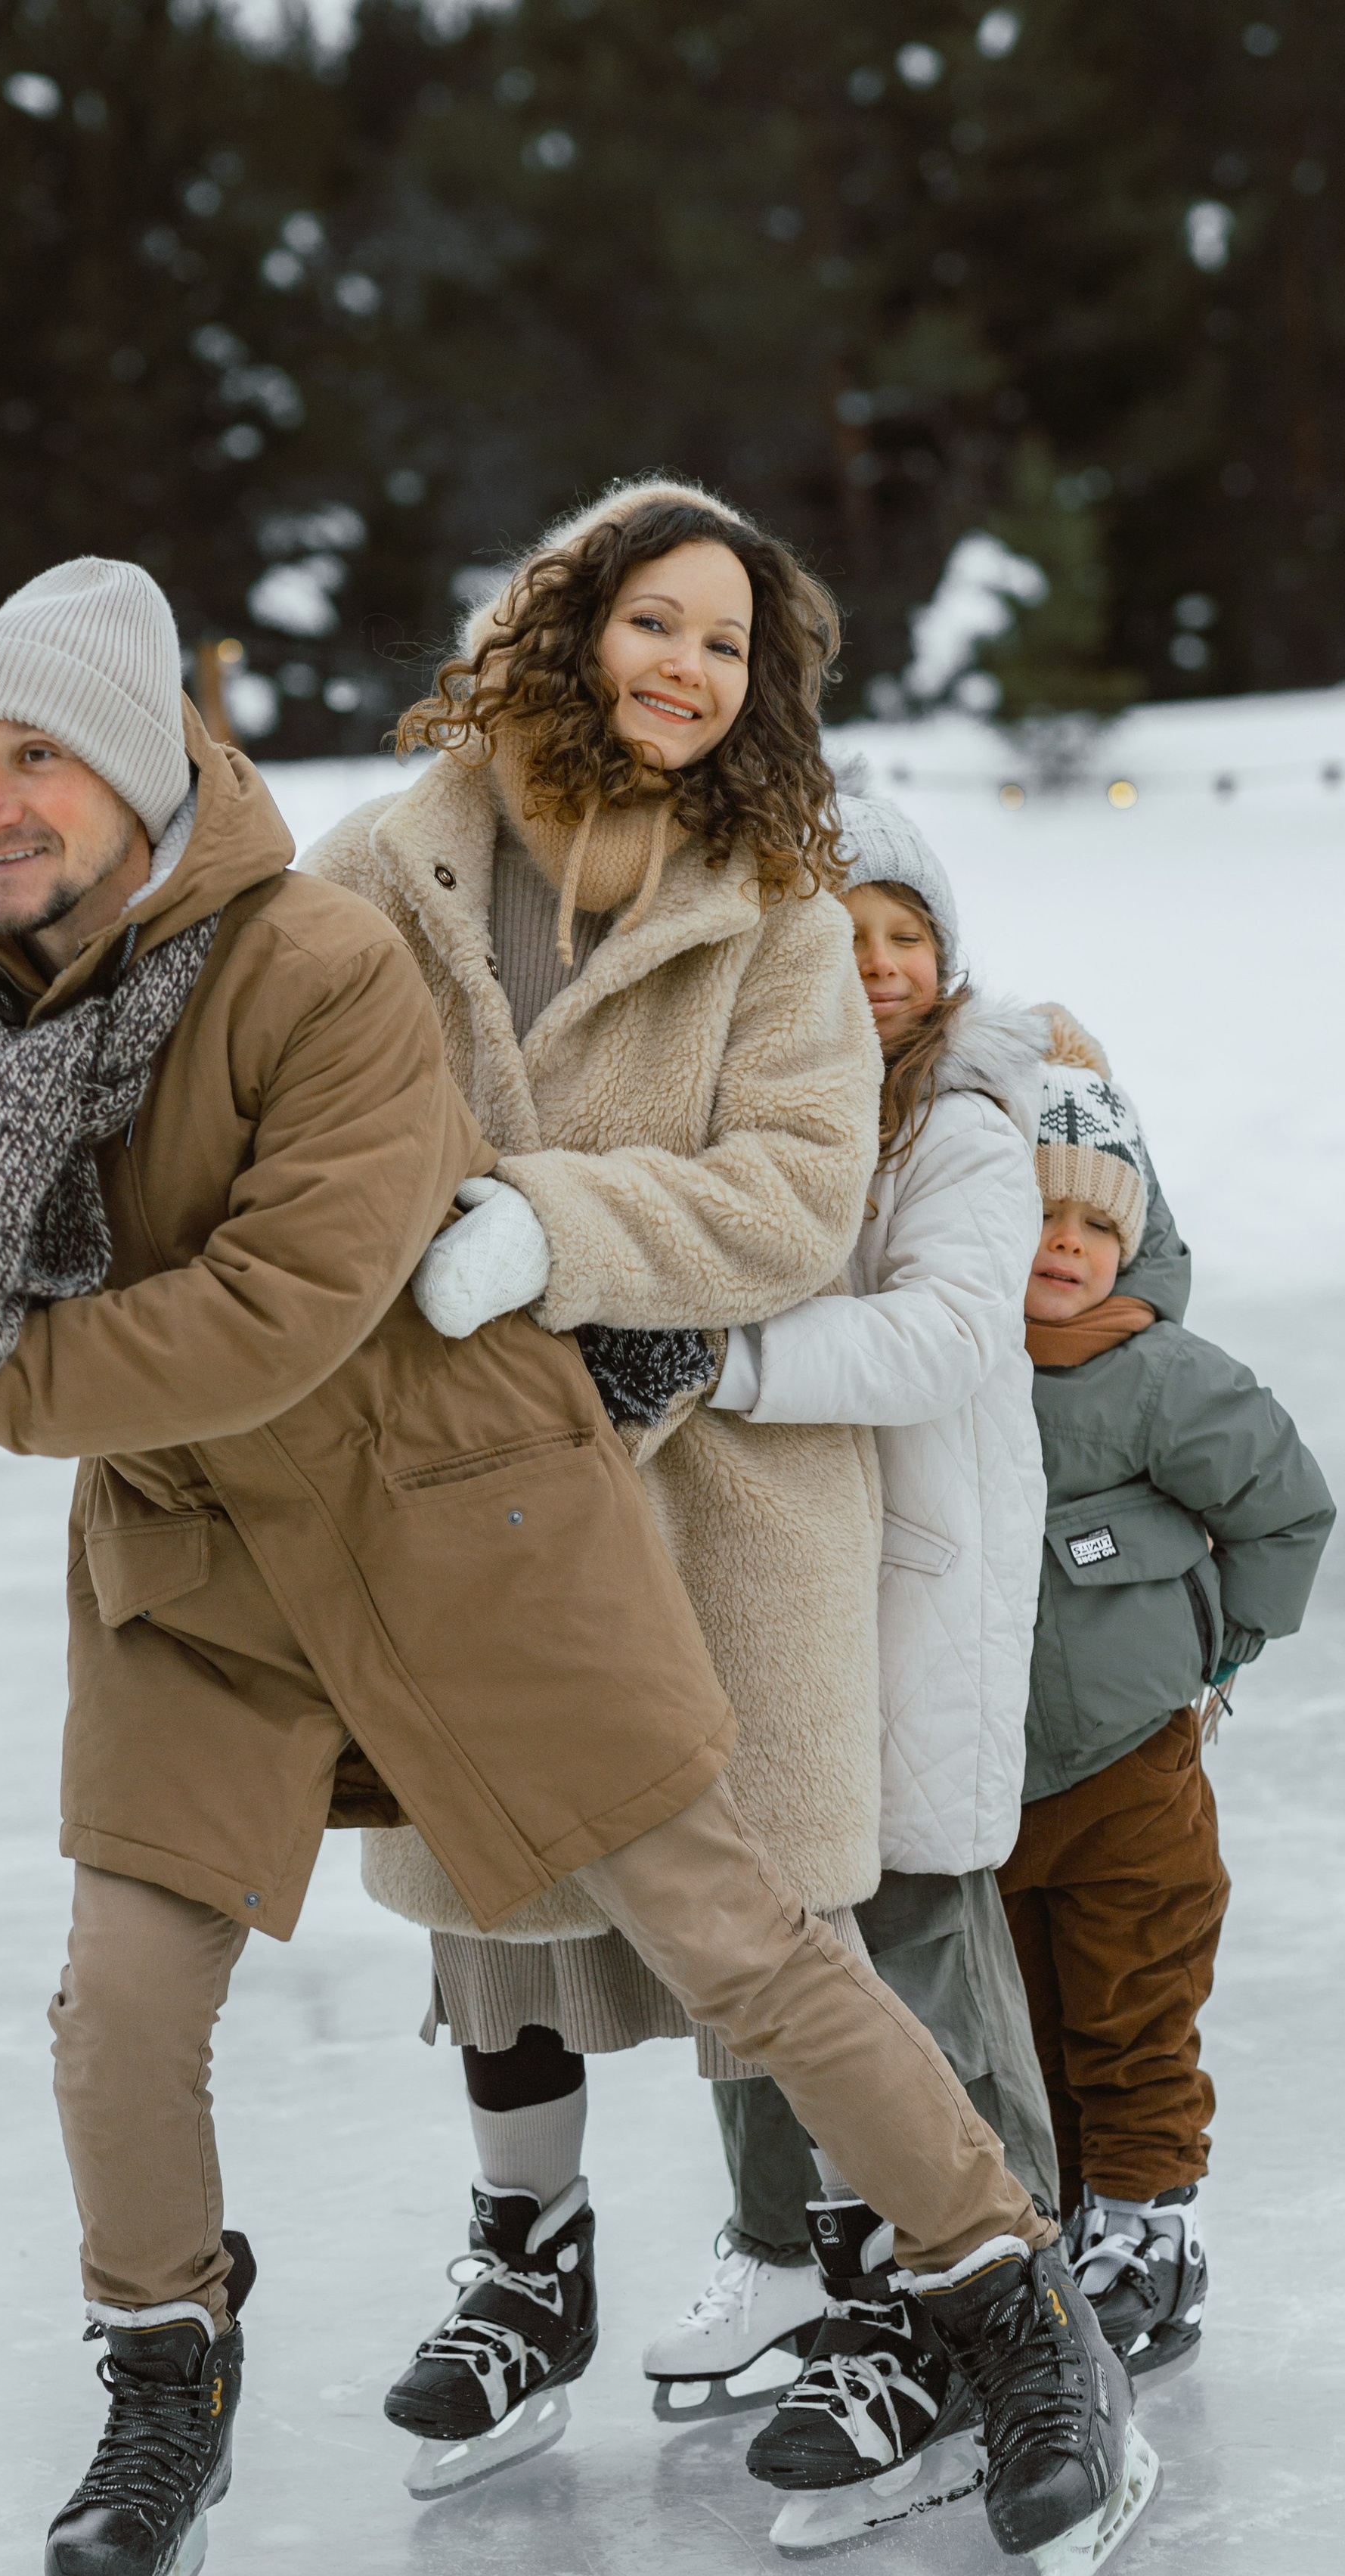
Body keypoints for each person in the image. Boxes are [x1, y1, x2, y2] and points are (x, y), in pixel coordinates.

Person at [0, 556, 1146, 2576]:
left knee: (744, 1941)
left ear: (152, 771)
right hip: (197, 1578)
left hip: (473, 1533)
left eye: (37, 764)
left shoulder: (320, 972)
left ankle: (1013, 2303)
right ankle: (167, 2378)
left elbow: (267, 1321)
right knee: (120, 2007)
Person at [301, 483, 910, 2425]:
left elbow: (802, 1192)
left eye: (729, 646)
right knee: (490, 1900)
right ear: (561, 622)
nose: (689, 671)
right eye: (658, 621)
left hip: (716, 1502)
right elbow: (285, 1112)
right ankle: (526, 2269)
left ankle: (864, 2276)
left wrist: (553, 1226)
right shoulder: (381, 871)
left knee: (767, 1904)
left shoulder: (781, 908)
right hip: (457, 1481)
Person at [613, 796, 1058, 2550]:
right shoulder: (769, 1100)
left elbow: (947, 1334)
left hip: (918, 1585)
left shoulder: (959, 1125)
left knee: (923, 1931)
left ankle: (997, 2281)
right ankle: (813, 2265)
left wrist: (718, 1356)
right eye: (840, 936)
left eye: (903, 937)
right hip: (771, 1585)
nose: (877, 970)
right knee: (760, 1930)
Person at [997, 1012, 1335, 2380]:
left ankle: (1150, 2226)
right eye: (1038, 1217)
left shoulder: (1165, 1376)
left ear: (1132, 1241)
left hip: (1133, 1762)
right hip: (988, 1777)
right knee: (1025, 2014)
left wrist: (1222, 1650)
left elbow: (1288, 1510)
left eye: (1094, 1225)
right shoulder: (955, 1366)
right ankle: (1070, 2215)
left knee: (1133, 1999)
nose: (1065, 1247)